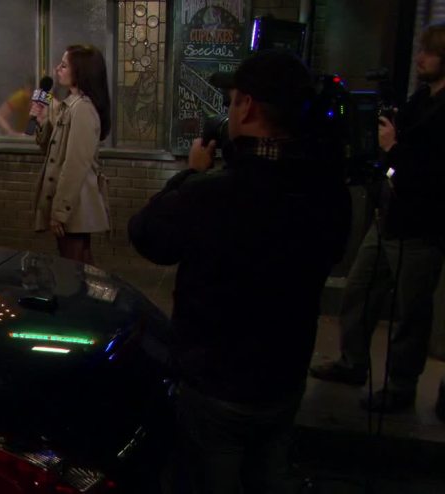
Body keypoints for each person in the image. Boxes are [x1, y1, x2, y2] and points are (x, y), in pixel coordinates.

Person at [128, 50, 351, 493]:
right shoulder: (329, 193)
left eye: (231, 101)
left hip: (216, 387)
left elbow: (147, 235)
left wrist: (190, 176)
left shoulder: (213, 194)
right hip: (284, 379)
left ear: (246, 106)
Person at [309, 23, 445, 413]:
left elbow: (431, 172)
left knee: (411, 313)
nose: (419, 58)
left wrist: (393, 148)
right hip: (388, 217)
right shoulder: (422, 98)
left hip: (420, 228)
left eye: (428, 52)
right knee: (359, 291)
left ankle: (401, 387)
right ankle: (353, 363)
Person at [29, 45, 111, 264]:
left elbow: (75, 164)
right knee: (78, 265)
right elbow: (52, 149)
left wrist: (60, 211)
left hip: (76, 205)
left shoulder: (82, 108)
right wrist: (42, 120)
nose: (57, 68)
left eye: (64, 65)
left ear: (80, 72)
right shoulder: (70, 105)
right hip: (73, 204)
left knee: (73, 268)